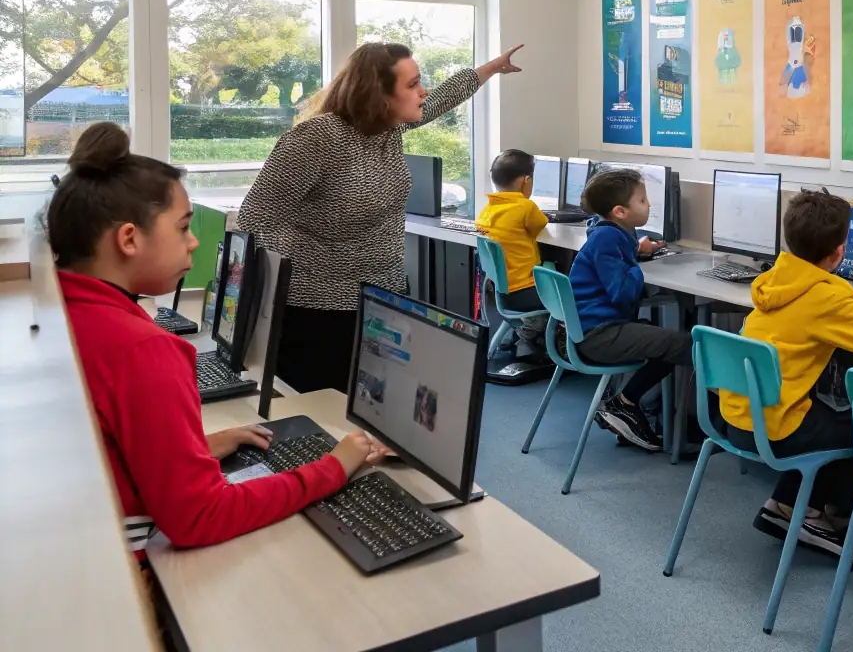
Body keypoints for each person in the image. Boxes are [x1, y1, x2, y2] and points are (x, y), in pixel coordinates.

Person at [46, 123, 381, 554]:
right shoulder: (143, 349)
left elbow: (114, 452)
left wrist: (195, 450)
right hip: (121, 576)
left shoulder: (63, 311)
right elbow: (201, 516)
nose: (194, 242)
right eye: (183, 227)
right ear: (129, 239)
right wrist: (332, 468)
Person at [238, 40, 523, 393]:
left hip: (384, 296)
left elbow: (439, 100)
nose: (423, 91)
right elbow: (254, 218)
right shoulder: (318, 138)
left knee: (379, 416)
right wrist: (259, 302)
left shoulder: (387, 128)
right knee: (322, 421)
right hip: (319, 310)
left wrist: (490, 68)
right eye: (412, 84)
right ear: (379, 95)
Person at [720, 190, 853, 569]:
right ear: (839, 252)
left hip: (737, 417)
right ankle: (845, 522)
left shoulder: (774, 279)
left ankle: (788, 506)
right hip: (776, 429)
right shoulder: (828, 296)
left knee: (836, 417)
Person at [569, 168, 688, 452]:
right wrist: (635, 264)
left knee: (667, 340)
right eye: (643, 200)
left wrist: (634, 252)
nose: (649, 206)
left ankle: (627, 405)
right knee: (685, 344)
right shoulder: (607, 239)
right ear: (621, 211)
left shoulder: (607, 233)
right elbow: (622, 294)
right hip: (599, 335)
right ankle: (625, 405)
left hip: (593, 328)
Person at [475, 148, 548, 351]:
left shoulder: (488, 209)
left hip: (501, 289)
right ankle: (526, 335)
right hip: (524, 290)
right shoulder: (526, 207)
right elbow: (539, 225)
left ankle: (520, 332)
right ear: (526, 181)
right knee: (567, 289)